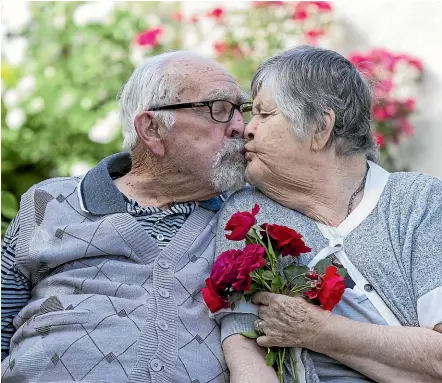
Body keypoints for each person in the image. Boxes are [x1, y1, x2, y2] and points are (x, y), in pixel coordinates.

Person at [1, 51, 252, 382]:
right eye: (218, 110)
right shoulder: (50, 202)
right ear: (151, 128)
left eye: (240, 111)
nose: (240, 127)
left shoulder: (247, 217)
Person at [215, 46, 442, 383]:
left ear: (320, 128)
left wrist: (318, 330)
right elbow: (245, 350)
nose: (248, 129)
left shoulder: (416, 200)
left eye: (264, 114)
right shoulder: (248, 214)